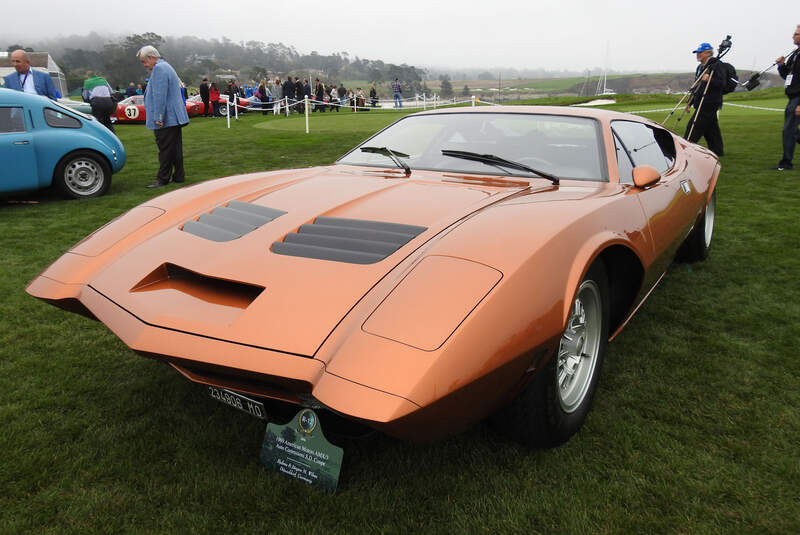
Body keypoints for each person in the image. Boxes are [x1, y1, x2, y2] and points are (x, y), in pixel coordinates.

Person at [136, 45, 189, 188]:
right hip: (174, 117)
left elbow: (160, 95)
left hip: (166, 118)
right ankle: (179, 175)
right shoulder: (166, 66)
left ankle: (162, 179)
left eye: (144, 62)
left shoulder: (159, 69)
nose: (145, 65)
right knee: (175, 148)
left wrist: (158, 117)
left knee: (165, 149)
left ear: (151, 57)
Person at [684, 43, 725, 157]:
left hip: (709, 102)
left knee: (694, 125)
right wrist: (690, 102)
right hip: (700, 101)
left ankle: (686, 149)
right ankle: (717, 151)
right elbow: (697, 86)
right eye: (697, 53)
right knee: (711, 129)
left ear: (708, 53)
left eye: (700, 52)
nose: (697, 55)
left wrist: (709, 80)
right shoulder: (700, 67)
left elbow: (721, 83)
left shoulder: (716, 65)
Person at [774, 25, 800, 171]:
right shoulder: (795, 53)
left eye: (796, 34)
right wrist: (781, 65)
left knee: (789, 130)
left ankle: (786, 163)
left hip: (798, 98)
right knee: (792, 130)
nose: (793, 36)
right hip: (792, 97)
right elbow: (787, 75)